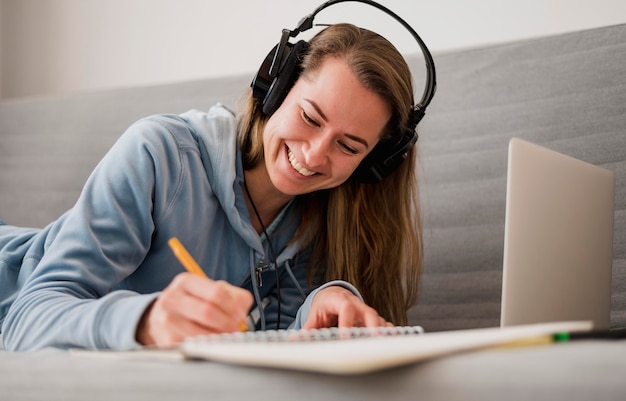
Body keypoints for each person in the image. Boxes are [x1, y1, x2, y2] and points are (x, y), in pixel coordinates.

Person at [0, 21, 424, 351]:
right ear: (274, 89)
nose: (314, 155)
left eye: (348, 146)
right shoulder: (160, 153)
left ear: (372, 164)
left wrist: (322, 308)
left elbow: (263, 349)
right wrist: (145, 320)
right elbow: (25, 321)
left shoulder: (319, 220)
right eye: (310, 118)